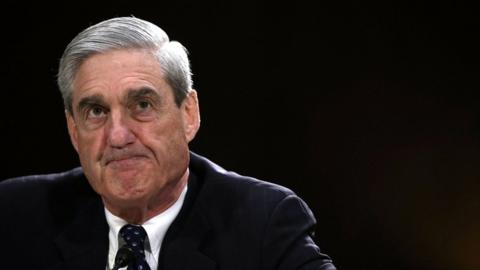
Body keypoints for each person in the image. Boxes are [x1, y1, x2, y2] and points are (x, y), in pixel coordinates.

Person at [0, 16, 336, 270]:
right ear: (74, 130)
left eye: (142, 105)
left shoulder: (263, 223)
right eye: (97, 111)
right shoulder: (15, 215)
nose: (118, 136)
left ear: (189, 114)